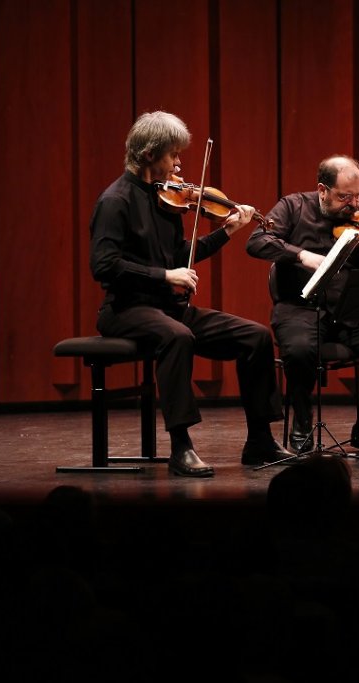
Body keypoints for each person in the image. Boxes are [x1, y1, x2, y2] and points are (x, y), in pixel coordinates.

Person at [89, 111, 290, 477]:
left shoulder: (165, 199)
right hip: (126, 308)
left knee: (256, 337)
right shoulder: (115, 201)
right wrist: (164, 276)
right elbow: (104, 266)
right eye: (174, 155)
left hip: (168, 307)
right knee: (177, 337)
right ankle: (181, 447)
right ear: (150, 154)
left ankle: (259, 440)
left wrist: (226, 233)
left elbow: (181, 255)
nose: (180, 164)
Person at [246, 155, 359, 454]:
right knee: (301, 350)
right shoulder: (292, 207)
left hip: (349, 311)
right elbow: (257, 240)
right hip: (298, 308)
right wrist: (301, 255)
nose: (354, 204)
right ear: (322, 190)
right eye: (345, 197)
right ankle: (302, 423)